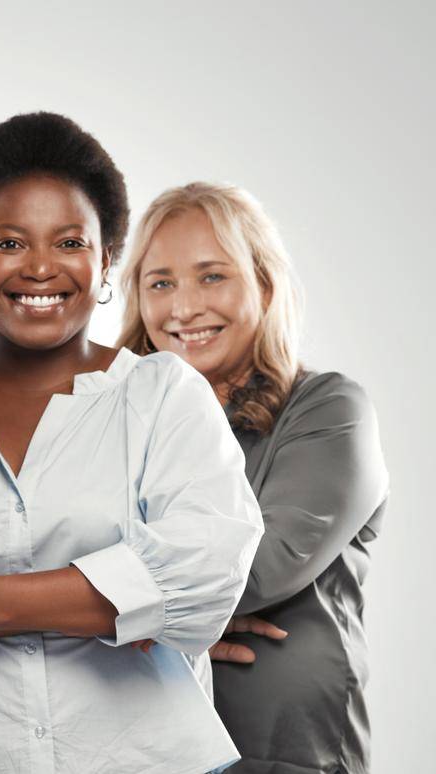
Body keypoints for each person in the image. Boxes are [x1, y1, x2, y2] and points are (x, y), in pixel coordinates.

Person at [0, 112, 264, 773]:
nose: (41, 267)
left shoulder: (163, 395)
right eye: (10, 242)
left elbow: (204, 573)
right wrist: (113, 599)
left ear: (106, 259)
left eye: (70, 242)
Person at [117, 181, 389, 773]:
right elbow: (39, 545)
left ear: (264, 287)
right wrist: (181, 625)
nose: (184, 307)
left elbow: (261, 565)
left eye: (212, 276)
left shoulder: (327, 409)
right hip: (136, 744)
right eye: (160, 282)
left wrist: (133, 621)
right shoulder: (115, 423)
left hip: (282, 751)